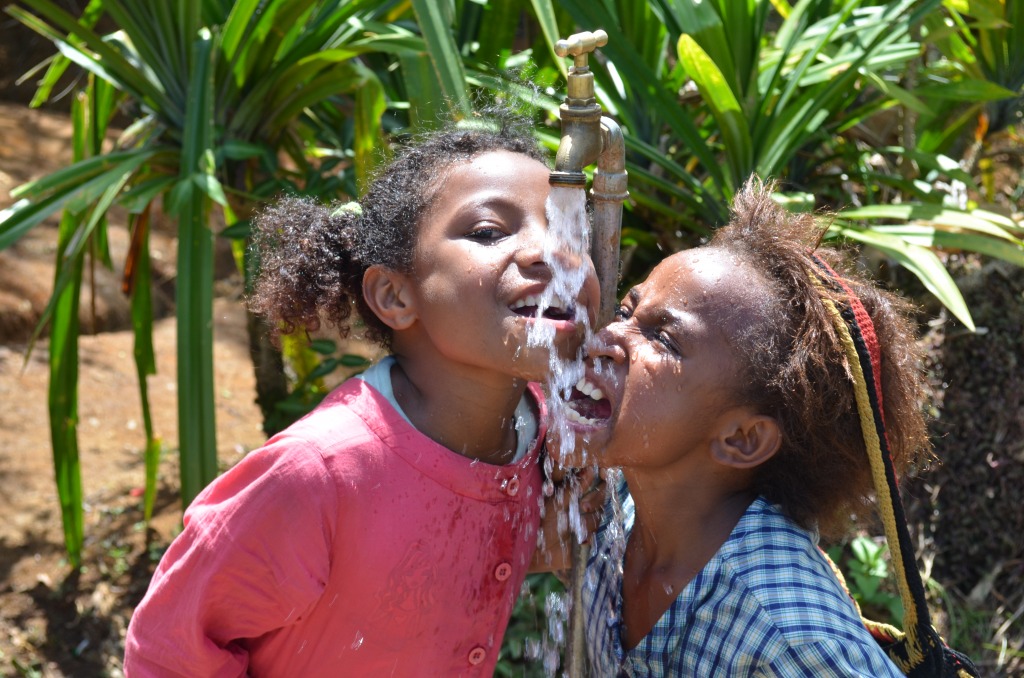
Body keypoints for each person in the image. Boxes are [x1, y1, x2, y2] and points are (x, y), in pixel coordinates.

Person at [123, 116, 603, 677]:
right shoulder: (316, 475)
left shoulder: (547, 432)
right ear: (396, 295)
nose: (549, 252)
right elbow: (167, 649)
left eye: (569, 231)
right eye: (489, 231)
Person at [559, 178, 929, 676]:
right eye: (627, 310)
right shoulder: (614, 506)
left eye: (664, 339)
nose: (606, 338)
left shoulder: (792, 640)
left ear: (742, 439)